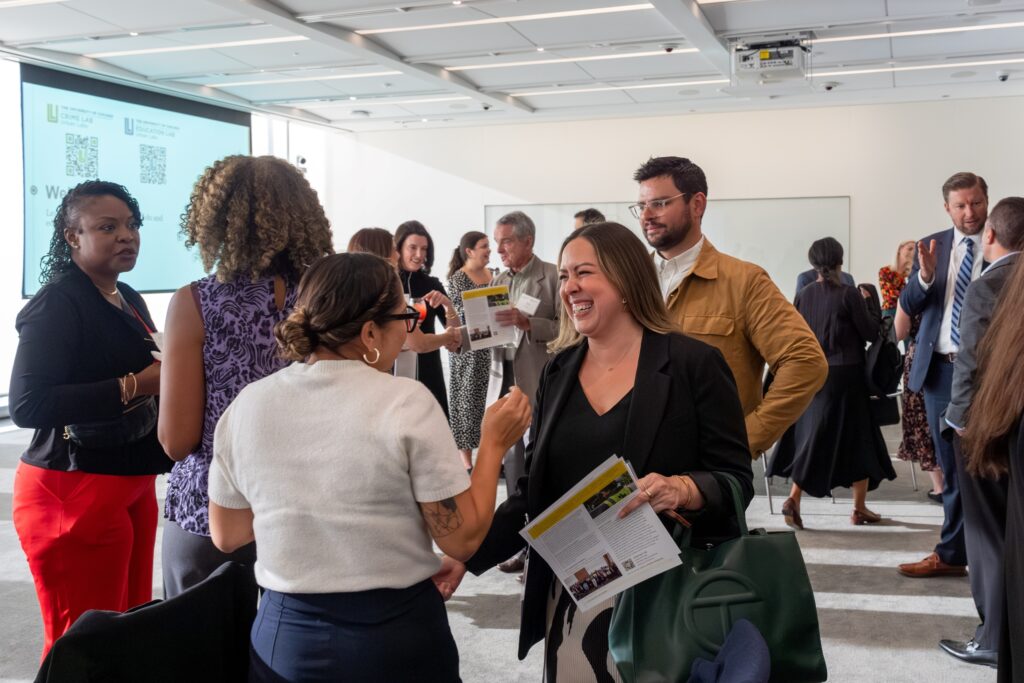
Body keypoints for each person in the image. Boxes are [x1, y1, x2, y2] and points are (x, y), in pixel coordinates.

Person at [436, 223, 754, 679]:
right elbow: (534, 496)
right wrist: (465, 557)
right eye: (564, 276)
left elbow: (733, 480)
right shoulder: (558, 371)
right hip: (571, 595)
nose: (570, 288)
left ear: (626, 280)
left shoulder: (693, 365)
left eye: (584, 273)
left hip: (664, 599)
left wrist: (683, 489)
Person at [206, 252, 532, 682]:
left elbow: (227, 534)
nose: (409, 326)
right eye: (405, 315)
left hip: (285, 635)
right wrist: (492, 445)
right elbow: (461, 539)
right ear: (370, 331)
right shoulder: (404, 402)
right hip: (392, 634)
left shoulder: (249, 403)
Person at [157, 155, 334, 599]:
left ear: (215, 219)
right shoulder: (329, 300)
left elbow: (177, 441)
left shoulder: (195, 303)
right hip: (313, 505)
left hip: (214, 510)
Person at [9, 180, 171, 659]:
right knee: (80, 648)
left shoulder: (127, 297)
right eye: (108, 227)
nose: (127, 235)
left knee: (124, 634)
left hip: (129, 483)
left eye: (131, 225)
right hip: (71, 493)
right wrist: (137, 384)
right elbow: (28, 405)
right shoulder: (57, 302)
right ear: (72, 237)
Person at [632, 156, 827, 458]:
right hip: (634, 462)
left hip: (705, 470)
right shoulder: (626, 281)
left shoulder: (744, 282)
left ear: (697, 205)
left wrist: (742, 440)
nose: (646, 215)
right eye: (641, 206)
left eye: (659, 203)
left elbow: (806, 363)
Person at [938, 197, 1024, 668]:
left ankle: (993, 636)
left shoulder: (987, 284)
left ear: (990, 234)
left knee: (987, 536)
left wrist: (957, 422)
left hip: (987, 427)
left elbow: (968, 361)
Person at [768, 238, 896, 528]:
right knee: (859, 439)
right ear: (840, 260)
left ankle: (808, 500)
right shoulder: (849, 294)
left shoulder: (804, 294)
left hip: (814, 374)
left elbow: (797, 332)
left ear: (812, 262)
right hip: (846, 376)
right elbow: (868, 333)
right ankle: (846, 506)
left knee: (816, 436)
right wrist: (869, 306)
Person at [898, 172, 988, 580]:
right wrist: (925, 277)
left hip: (991, 374)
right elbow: (910, 303)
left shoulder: (1004, 240)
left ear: (987, 200)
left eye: (976, 203)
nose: (970, 213)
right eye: (961, 205)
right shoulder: (932, 245)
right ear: (947, 208)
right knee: (951, 470)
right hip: (939, 373)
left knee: (992, 465)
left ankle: (995, 550)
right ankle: (952, 552)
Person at [480, 210, 560, 575]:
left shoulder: (554, 277)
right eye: (497, 242)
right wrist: (458, 335)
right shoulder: (496, 280)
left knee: (540, 466)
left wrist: (530, 323)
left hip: (538, 381)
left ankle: (547, 546)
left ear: (528, 241)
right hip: (504, 381)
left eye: (506, 241)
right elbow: (487, 331)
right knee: (512, 467)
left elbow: (567, 330)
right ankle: (521, 545)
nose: (499, 249)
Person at [960, 254, 1024, 682]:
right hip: (988, 411)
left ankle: (991, 635)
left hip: (994, 412)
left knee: (991, 536)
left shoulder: (998, 280)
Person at [395, 220, 461, 416]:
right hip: (393, 366)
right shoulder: (388, 282)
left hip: (428, 367)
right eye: (412, 248)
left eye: (424, 249)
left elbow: (455, 332)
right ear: (398, 248)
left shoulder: (432, 284)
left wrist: (448, 306)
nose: (419, 255)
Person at [446, 230, 493, 471]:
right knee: (466, 400)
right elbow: (457, 319)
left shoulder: (493, 275)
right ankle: (466, 463)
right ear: (470, 251)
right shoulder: (457, 280)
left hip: (492, 347)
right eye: (484, 246)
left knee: (489, 399)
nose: (489, 250)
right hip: (468, 350)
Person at [893, 303, 943, 502]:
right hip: (950, 357)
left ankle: (939, 487)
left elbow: (899, 332)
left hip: (920, 359)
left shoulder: (911, 293)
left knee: (922, 422)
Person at [879, 240, 916, 316]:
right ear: (899, 249)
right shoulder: (885, 271)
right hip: (890, 312)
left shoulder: (912, 274)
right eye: (910, 249)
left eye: (915, 250)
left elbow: (916, 295)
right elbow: (889, 296)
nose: (913, 252)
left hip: (907, 313)